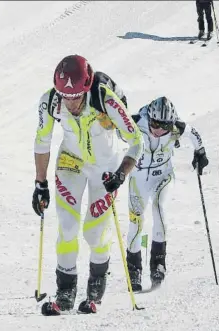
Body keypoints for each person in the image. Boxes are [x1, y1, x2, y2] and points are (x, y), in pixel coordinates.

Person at [32, 54, 144, 314]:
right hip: (70, 162)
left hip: (105, 168)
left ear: (87, 87)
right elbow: (42, 142)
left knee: (94, 233)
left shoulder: (105, 99)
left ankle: (95, 290)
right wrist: (40, 183)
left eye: (75, 97)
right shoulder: (50, 101)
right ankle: (65, 292)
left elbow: (137, 141)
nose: (69, 103)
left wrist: (121, 173)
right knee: (68, 226)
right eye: (64, 96)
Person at [126, 96, 209, 291]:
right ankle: (133, 270)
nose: (158, 130)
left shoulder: (176, 127)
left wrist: (200, 152)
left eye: (164, 126)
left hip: (162, 176)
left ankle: (158, 264)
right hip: (138, 179)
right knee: (136, 222)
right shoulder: (136, 121)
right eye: (154, 124)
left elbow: (193, 133)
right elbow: (111, 126)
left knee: (159, 209)